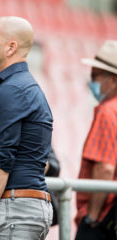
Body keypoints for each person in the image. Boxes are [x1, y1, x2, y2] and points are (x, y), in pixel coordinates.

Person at [0, 16, 53, 240]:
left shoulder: (12, 89)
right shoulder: (23, 85)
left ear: (11, 47)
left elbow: (1, 157)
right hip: (25, 208)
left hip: (14, 210)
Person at [75, 40, 117, 240]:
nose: (91, 82)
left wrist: (92, 216)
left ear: (114, 80)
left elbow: (105, 168)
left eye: (95, 77)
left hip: (103, 218)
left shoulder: (108, 111)